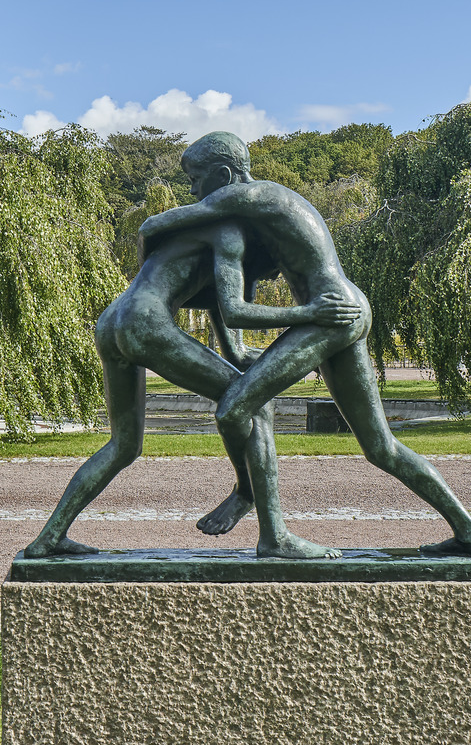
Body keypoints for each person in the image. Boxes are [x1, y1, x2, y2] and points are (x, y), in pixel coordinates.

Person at [138, 132, 471, 560]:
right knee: (381, 447)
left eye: (196, 179)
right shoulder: (263, 212)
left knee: (234, 407)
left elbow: (151, 226)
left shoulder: (249, 196)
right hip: (344, 309)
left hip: (330, 314)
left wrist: (152, 254)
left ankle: (253, 506)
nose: (194, 190)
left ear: (223, 174)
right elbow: (231, 314)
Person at [19, 205, 363, 559]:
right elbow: (237, 313)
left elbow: (237, 354)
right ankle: (274, 535)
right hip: (145, 322)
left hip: (113, 322)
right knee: (255, 406)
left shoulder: (205, 248)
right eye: (272, 269)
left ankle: (49, 537)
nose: (269, 278)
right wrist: (310, 314)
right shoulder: (229, 234)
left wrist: (298, 359)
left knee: (123, 446)